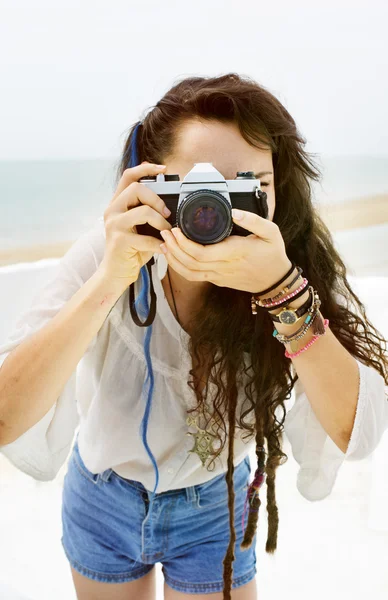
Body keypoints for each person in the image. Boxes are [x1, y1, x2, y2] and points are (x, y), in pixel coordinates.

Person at [0, 73, 387, 600]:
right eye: (197, 190)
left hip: (215, 507)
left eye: (247, 188)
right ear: (151, 188)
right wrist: (111, 278)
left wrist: (282, 291)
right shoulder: (113, 249)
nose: (215, 212)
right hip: (102, 496)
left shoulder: (293, 266)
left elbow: (355, 433)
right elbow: (6, 414)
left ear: (278, 189)